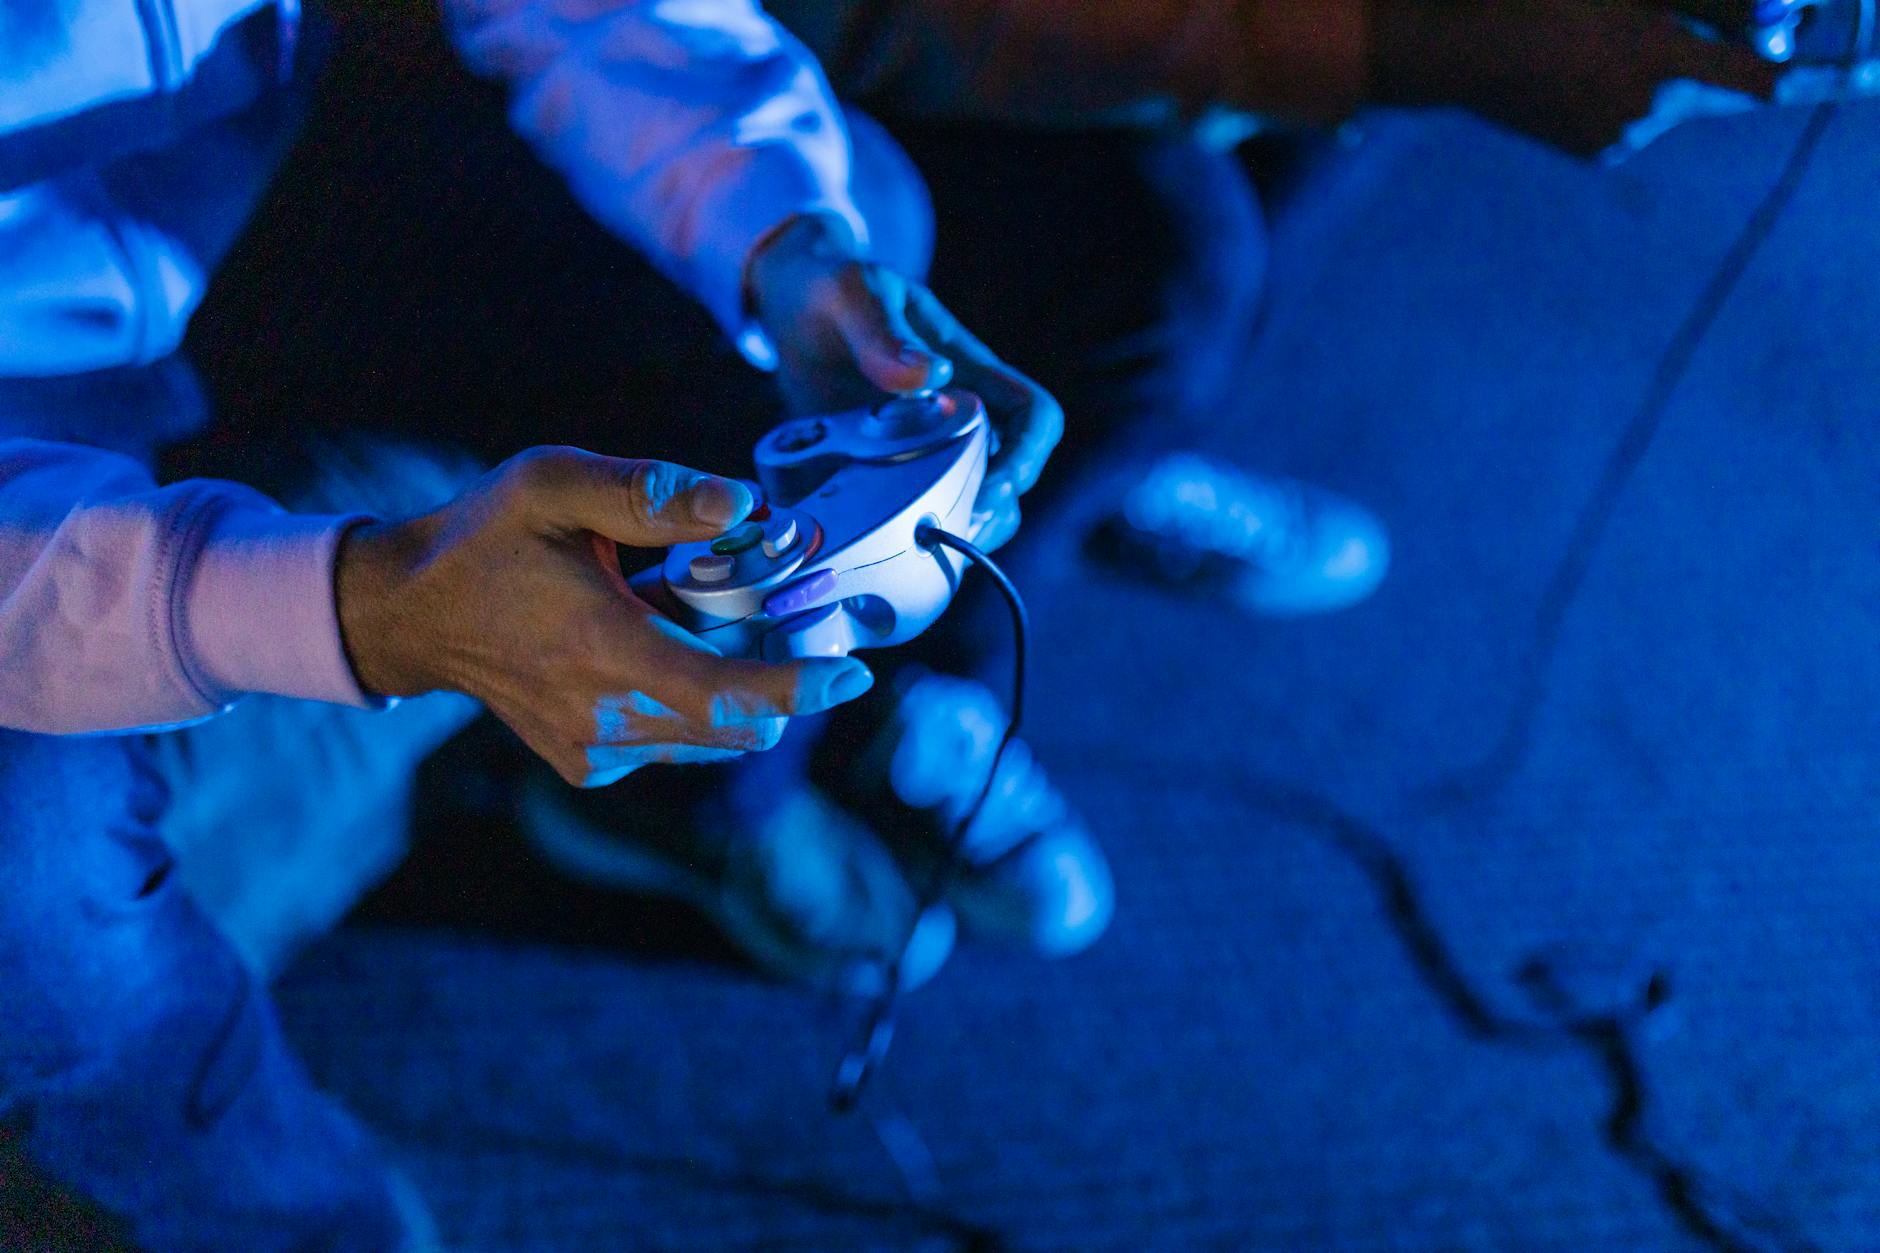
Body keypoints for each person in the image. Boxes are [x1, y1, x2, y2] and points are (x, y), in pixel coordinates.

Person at [0, 0, 1069, 1244]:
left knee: (869, 212)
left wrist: (781, 235)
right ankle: (299, 1220)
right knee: (44, 894)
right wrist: (348, 606)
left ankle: (682, 795)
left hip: (214, 220)